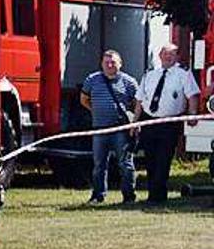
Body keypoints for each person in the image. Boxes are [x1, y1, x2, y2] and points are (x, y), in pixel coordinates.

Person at [136, 43, 203, 205]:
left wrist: (192, 115)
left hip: (169, 123)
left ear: (177, 57)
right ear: (160, 56)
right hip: (148, 120)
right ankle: (153, 194)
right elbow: (140, 99)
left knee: (163, 158)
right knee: (150, 159)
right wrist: (135, 122)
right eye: (165, 53)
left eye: (172, 54)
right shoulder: (150, 73)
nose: (168, 57)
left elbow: (192, 96)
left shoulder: (183, 74)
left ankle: (158, 196)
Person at [79, 49, 140, 204]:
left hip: (121, 130)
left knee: (125, 164)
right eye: (106, 62)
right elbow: (84, 99)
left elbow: (137, 105)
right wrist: (95, 110)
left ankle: (129, 196)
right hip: (99, 129)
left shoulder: (129, 82)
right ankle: (98, 196)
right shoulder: (92, 80)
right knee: (99, 165)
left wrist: (134, 123)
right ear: (102, 64)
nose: (110, 65)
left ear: (120, 64)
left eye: (113, 62)